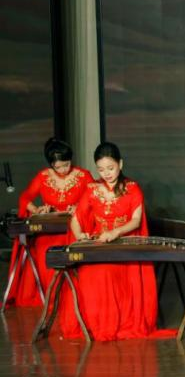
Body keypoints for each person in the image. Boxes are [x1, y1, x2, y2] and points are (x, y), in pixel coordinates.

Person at [56, 142, 173, 340]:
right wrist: (80, 235)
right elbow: (76, 218)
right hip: (100, 245)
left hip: (124, 246)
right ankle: (95, 325)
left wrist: (116, 232)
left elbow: (136, 221)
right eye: (101, 169)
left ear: (120, 164)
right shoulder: (92, 188)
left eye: (110, 168)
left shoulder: (132, 188)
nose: (106, 173)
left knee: (105, 273)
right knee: (88, 273)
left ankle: (112, 324)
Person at [7, 138, 92, 307]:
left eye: (66, 164)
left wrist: (79, 207)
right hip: (49, 229)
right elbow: (25, 197)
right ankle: (53, 298)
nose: (63, 169)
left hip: (73, 228)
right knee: (45, 251)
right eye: (58, 167)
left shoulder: (84, 175)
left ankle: (72, 299)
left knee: (71, 250)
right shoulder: (43, 176)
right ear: (51, 164)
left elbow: (94, 198)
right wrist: (37, 210)